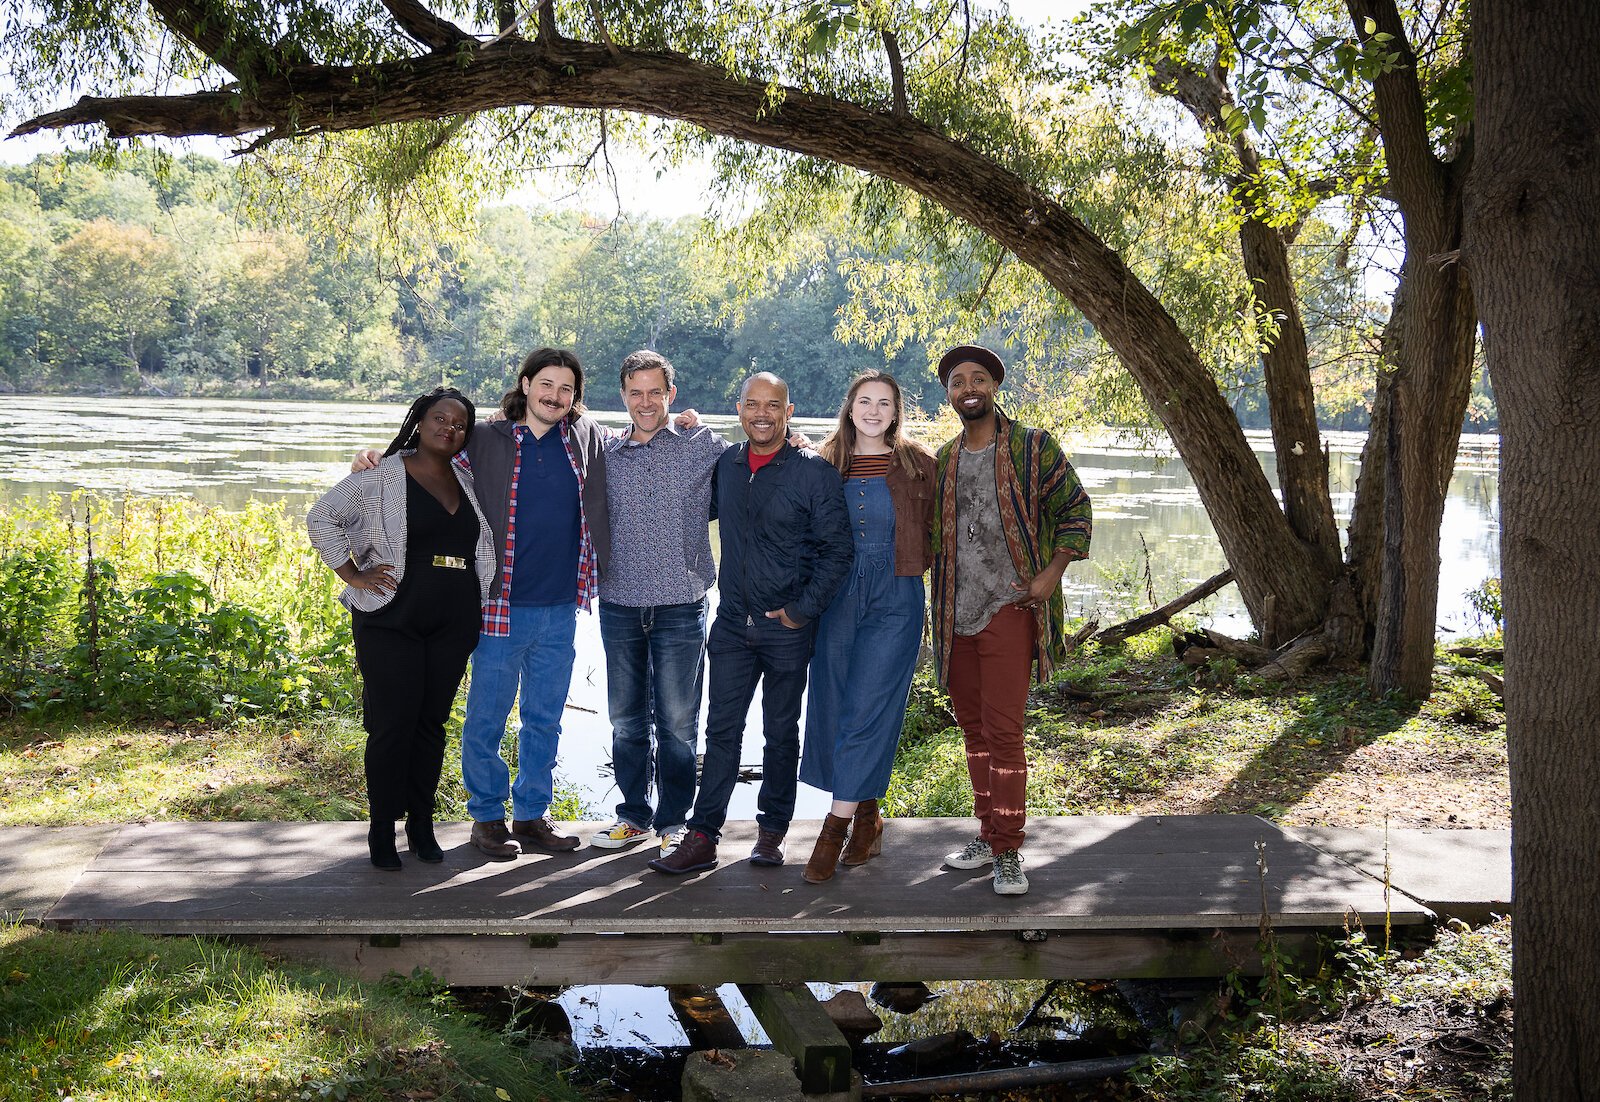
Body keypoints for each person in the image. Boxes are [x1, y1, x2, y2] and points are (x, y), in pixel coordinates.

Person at [352, 348, 611, 862]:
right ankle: (488, 819)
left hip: (561, 606)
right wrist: (372, 461)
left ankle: (532, 815)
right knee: (487, 718)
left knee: (545, 720)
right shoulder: (484, 439)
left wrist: (682, 420)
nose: (555, 396)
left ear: (574, 397)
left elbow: (637, 444)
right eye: (547, 385)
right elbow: (428, 460)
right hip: (497, 604)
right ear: (526, 384)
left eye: (566, 389)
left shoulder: (585, 438)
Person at [648, 372, 853, 875]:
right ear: (739, 409)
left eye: (772, 405)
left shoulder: (814, 473)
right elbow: (686, 501)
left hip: (786, 629)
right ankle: (702, 836)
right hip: (731, 628)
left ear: (788, 410)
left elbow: (838, 552)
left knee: (782, 734)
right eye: (752, 404)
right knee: (721, 732)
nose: (761, 414)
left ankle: (771, 835)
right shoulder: (728, 466)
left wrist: (801, 611)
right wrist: (686, 429)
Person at [308, 388, 496, 870]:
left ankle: (421, 826)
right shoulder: (382, 475)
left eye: (459, 425)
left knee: (431, 727)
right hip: (392, 617)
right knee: (393, 727)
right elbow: (321, 517)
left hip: (454, 619)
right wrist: (352, 574)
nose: (448, 428)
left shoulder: (463, 478)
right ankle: (381, 831)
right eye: (440, 418)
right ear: (419, 419)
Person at [930, 344, 1092, 896]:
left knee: (1004, 731)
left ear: (994, 387)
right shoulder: (946, 459)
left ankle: (1009, 850)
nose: (968, 387)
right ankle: (985, 833)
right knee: (973, 730)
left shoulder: (1032, 447)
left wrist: (1051, 575)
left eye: (978, 378)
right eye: (957, 381)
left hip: (1009, 608)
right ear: (949, 394)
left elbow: (1076, 509)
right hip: (956, 614)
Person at [797, 370, 936, 884]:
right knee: (834, 705)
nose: (874, 410)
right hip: (835, 595)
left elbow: (953, 525)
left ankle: (834, 828)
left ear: (897, 411)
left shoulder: (921, 464)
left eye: (885, 403)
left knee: (870, 705)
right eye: (865, 401)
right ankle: (869, 815)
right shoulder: (821, 461)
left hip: (896, 595)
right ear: (849, 407)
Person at [588, 350, 726, 855]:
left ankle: (674, 822)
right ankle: (633, 816)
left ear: (671, 393)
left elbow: (762, 454)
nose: (645, 402)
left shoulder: (701, 444)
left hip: (681, 604)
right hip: (619, 602)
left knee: (677, 723)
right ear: (622, 396)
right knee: (625, 720)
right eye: (635, 393)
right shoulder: (602, 450)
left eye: (655, 392)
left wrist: (800, 442)